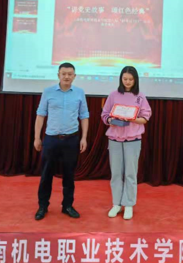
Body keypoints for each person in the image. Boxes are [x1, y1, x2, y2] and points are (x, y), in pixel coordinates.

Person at [34, 63, 89, 220]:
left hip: (71, 139)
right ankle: (42, 206)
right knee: (46, 174)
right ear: (58, 75)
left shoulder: (79, 93)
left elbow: (84, 116)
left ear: (74, 76)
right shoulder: (48, 92)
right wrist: (37, 137)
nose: (66, 76)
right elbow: (40, 115)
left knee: (69, 175)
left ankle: (67, 206)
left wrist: (84, 138)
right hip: (51, 139)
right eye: (63, 73)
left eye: (70, 74)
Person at [101, 66, 151, 220]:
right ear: (121, 79)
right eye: (125, 79)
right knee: (116, 173)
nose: (127, 82)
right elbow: (105, 115)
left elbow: (145, 117)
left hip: (133, 139)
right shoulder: (113, 95)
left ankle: (128, 204)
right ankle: (116, 203)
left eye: (130, 79)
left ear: (135, 80)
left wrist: (132, 118)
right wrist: (111, 119)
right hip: (115, 138)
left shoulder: (140, 96)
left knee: (130, 173)